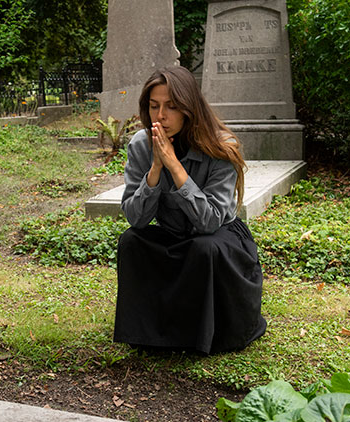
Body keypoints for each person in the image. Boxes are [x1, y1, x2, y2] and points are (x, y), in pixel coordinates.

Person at [114, 65, 266, 354]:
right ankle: (149, 334)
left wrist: (174, 165)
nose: (161, 116)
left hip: (220, 239)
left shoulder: (222, 146)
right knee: (131, 241)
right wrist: (156, 169)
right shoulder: (141, 145)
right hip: (174, 234)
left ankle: (203, 336)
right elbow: (136, 218)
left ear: (189, 108)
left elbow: (209, 222)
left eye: (171, 106)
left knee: (203, 247)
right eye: (154, 106)